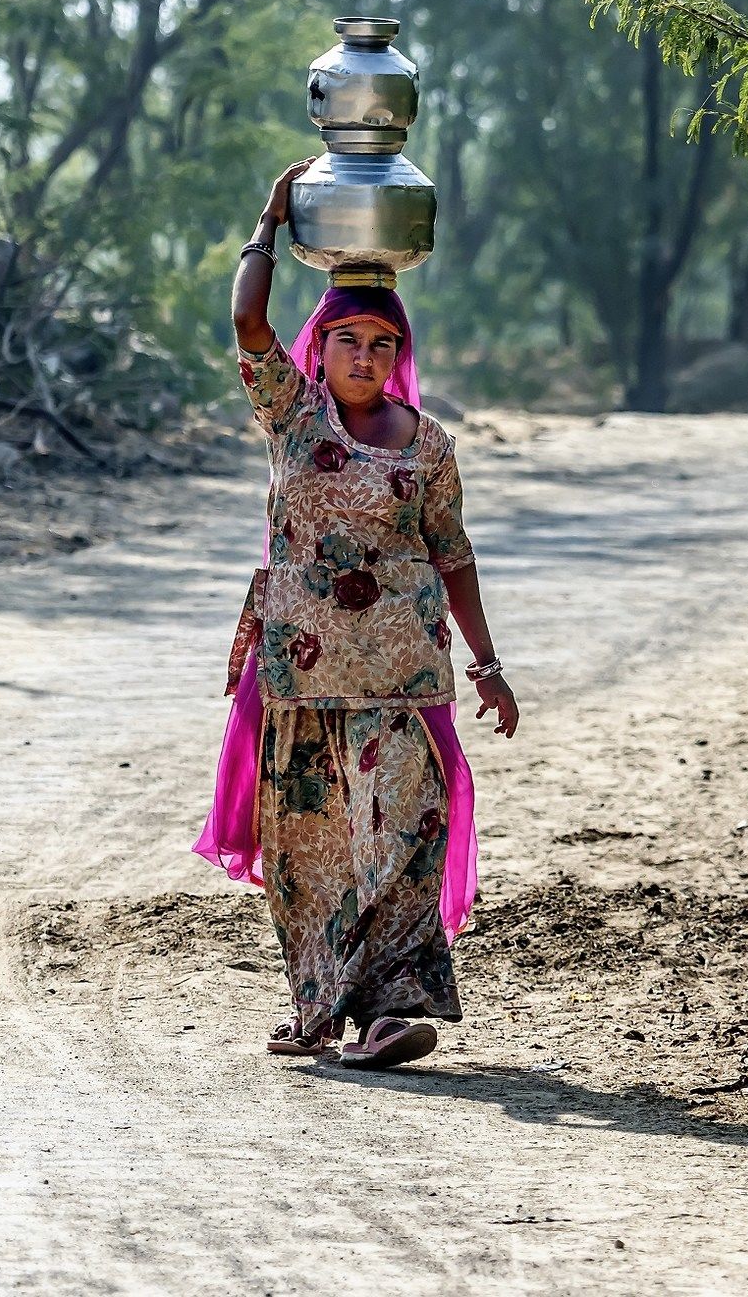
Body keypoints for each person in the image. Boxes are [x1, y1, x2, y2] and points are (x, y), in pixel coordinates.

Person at [193, 160, 518, 1070]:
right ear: (321, 350)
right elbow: (246, 321)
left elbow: (453, 553)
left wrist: (488, 664)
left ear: (399, 353)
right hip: (301, 675)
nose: (364, 357)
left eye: (381, 342)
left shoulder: (429, 446)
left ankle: (393, 1010)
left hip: (402, 678)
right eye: (348, 342)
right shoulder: (295, 419)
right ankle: (320, 1007)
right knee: (307, 848)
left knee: (404, 835)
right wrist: (269, 214)